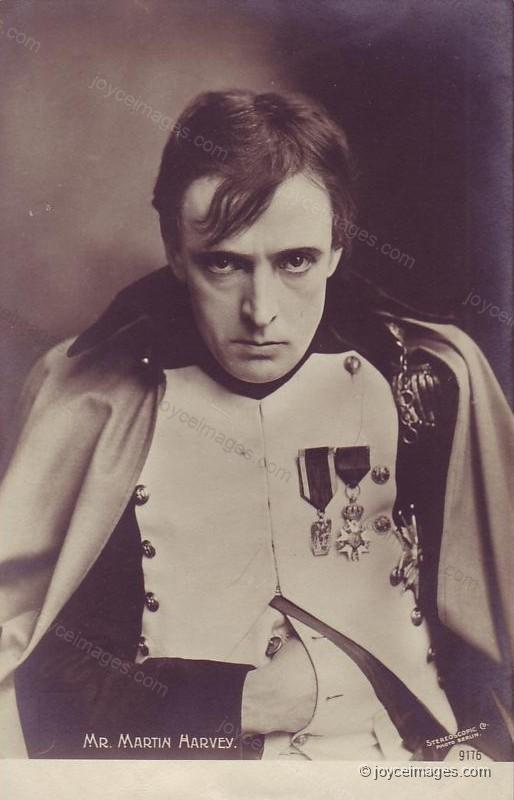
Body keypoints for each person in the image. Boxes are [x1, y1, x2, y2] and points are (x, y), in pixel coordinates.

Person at [0, 90, 512, 761]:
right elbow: (45, 682)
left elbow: (483, 645)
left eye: (295, 261)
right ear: (175, 251)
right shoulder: (94, 402)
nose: (262, 312)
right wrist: (243, 701)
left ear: (337, 248)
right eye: (224, 263)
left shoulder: (426, 381)